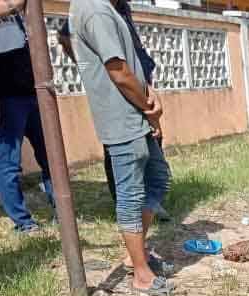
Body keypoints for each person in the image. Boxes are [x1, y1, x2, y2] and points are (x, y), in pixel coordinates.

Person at [69, 0, 172, 296]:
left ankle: (133, 255)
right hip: (121, 117)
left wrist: (149, 98)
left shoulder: (108, 7)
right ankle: (141, 274)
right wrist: (149, 108)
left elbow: (131, 64)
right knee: (131, 192)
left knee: (158, 178)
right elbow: (118, 71)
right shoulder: (95, 9)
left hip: (134, 112)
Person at [58, 0, 169, 221]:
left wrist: (146, 92)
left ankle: (142, 209)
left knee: (156, 172)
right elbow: (67, 38)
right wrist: (90, 69)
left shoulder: (120, 6)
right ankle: (129, 211)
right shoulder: (93, 9)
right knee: (127, 169)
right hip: (122, 96)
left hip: (138, 86)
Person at [0, 8, 55, 234]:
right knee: (10, 163)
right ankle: (23, 223)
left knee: (51, 157)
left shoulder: (14, 10)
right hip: (5, 98)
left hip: (33, 93)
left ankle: (61, 211)